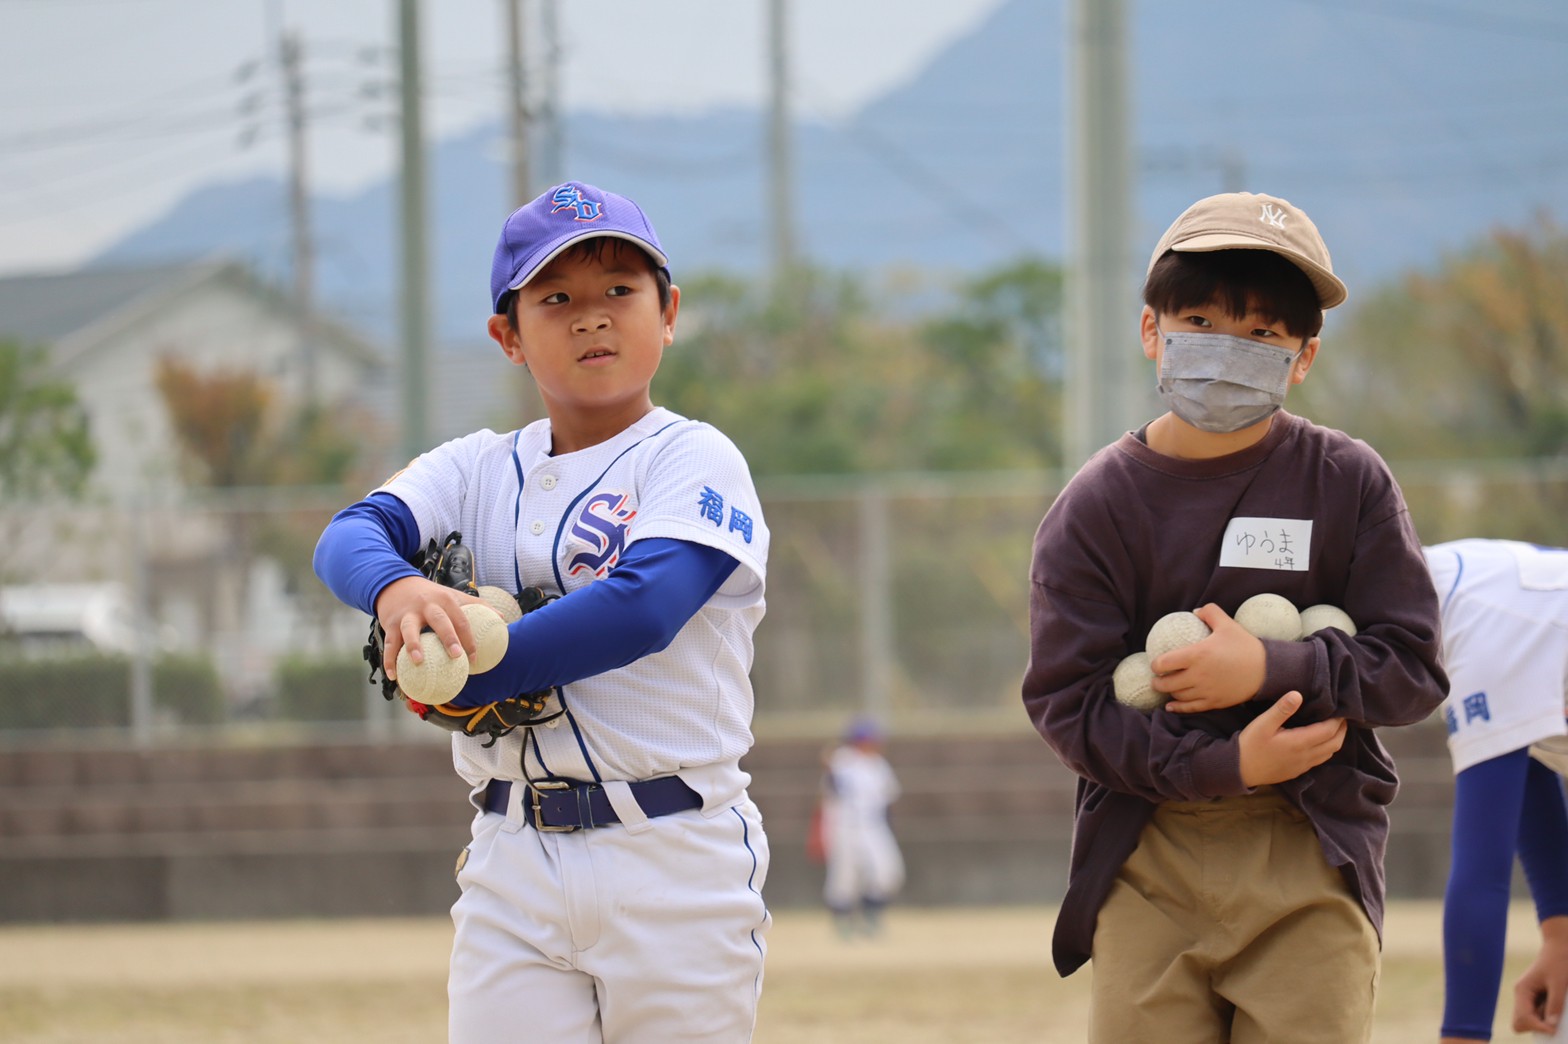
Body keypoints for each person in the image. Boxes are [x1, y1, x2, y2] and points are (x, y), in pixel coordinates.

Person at [313, 180, 772, 1043]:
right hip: (512, 854)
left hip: (674, 853)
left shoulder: (694, 458)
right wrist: (397, 590)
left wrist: (479, 672)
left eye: (620, 290)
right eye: (556, 298)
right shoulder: (473, 467)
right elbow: (348, 536)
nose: (592, 316)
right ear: (509, 336)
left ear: (669, 313)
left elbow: (643, 608)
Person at [1020, 190, 1448, 1043]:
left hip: (1311, 849)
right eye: (1201, 321)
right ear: (1152, 331)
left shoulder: (1347, 481)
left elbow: (1413, 670)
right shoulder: (1097, 507)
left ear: (1304, 356)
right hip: (1147, 856)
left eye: (1261, 333)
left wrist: (1270, 668)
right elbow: (1069, 707)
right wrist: (1227, 763)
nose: (1227, 348)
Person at [1426, 538, 1568, 1043]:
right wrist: (1559, 934)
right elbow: (1523, 767)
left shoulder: (1472, 616)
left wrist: (1463, 1035)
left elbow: (1482, 873)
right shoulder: (1460, 578)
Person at [819, 716, 904, 938]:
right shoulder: (842, 759)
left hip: (873, 825)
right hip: (844, 825)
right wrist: (830, 766)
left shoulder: (879, 765)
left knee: (888, 873)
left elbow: (888, 799)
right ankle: (843, 924)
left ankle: (870, 916)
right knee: (844, 877)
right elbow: (831, 789)